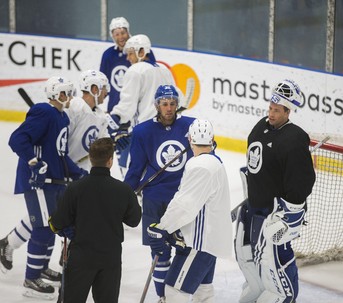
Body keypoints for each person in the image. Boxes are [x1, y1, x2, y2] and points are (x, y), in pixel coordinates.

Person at [0, 70, 110, 275]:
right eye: (104, 87)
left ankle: (15, 247)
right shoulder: (76, 107)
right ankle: (15, 250)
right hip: (54, 169)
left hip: (68, 169)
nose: (108, 92)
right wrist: (39, 160)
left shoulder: (99, 115)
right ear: (94, 88)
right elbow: (49, 134)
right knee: (47, 219)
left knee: (51, 218)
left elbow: (95, 144)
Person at [234, 79, 316, 303]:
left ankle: (286, 297)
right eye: (270, 108)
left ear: (288, 112)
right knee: (250, 259)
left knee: (275, 260)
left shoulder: (295, 138)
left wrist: (290, 216)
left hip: (276, 215)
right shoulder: (261, 126)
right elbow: (255, 165)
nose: (271, 114)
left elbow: (303, 181)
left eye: (277, 111)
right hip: (256, 208)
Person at [147, 119, 233, 302]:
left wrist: (163, 227)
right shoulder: (214, 162)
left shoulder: (200, 166)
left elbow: (184, 204)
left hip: (199, 243)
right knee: (204, 292)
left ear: (190, 138)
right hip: (209, 243)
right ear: (212, 139)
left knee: (174, 291)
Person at [48, 137, 142, 303]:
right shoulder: (123, 190)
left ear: (91, 159)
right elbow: (134, 220)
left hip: (81, 257)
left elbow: (56, 223)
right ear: (110, 161)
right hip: (110, 260)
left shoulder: (75, 188)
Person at [124, 85, 195, 302]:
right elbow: (135, 169)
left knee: (185, 249)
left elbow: (205, 156)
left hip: (183, 200)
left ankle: (176, 295)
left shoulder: (191, 126)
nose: (169, 108)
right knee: (159, 252)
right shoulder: (142, 131)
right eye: (164, 104)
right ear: (157, 105)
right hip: (154, 200)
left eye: (172, 103)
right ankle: (162, 296)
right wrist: (124, 196)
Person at [107, 34, 175, 174]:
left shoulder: (135, 71)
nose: (128, 58)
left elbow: (127, 105)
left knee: (132, 176)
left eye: (131, 53)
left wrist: (114, 120)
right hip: (166, 131)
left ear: (142, 52)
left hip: (144, 132)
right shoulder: (164, 70)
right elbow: (176, 98)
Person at [100, 17, 156, 175]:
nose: (120, 36)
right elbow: (104, 82)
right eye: (116, 34)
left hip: (139, 113)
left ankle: (140, 182)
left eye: (123, 32)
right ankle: (130, 181)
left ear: (128, 31)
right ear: (112, 36)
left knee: (142, 152)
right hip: (118, 112)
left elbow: (152, 78)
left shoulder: (141, 51)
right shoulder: (108, 55)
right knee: (122, 151)